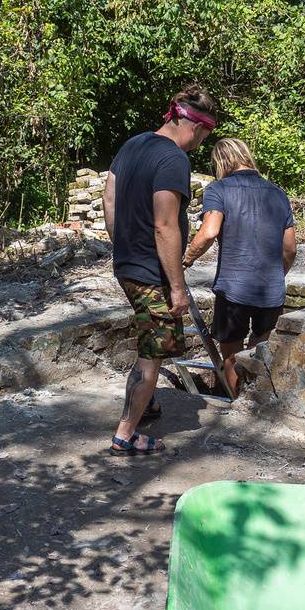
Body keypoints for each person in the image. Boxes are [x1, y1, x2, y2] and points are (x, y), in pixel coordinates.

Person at [101, 84, 223, 455]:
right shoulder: (173, 159)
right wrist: (177, 287)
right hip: (152, 270)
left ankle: (149, 404)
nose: (201, 143)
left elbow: (109, 197)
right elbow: (165, 225)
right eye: (205, 136)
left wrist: (122, 243)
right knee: (152, 351)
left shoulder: (133, 144)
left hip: (127, 262)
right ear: (195, 127)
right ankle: (126, 433)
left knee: (154, 336)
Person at [183, 138, 296, 397]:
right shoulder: (277, 193)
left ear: (220, 162)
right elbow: (289, 248)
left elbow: (209, 232)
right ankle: (256, 404)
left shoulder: (219, 190)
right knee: (260, 352)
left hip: (233, 289)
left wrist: (187, 258)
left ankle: (236, 404)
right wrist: (278, 274)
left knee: (231, 355)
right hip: (270, 289)